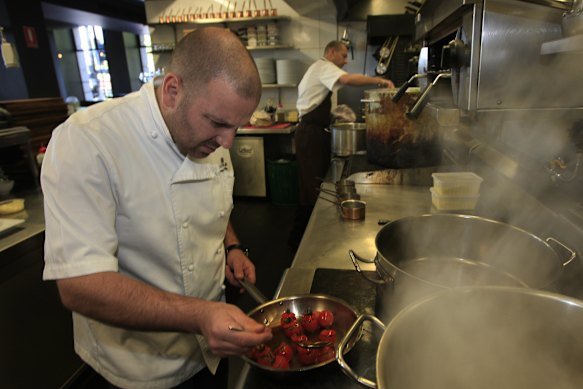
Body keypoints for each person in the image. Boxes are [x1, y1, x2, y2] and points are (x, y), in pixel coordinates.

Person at [41, 27, 272, 389]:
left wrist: (231, 245)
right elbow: (79, 284)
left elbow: (210, 201)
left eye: (238, 127)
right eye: (218, 123)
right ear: (172, 90)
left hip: (213, 349)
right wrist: (201, 315)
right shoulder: (87, 141)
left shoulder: (207, 136)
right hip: (138, 369)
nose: (228, 141)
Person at [291, 41, 394, 245]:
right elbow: (347, 80)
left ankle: (302, 237)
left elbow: (314, 103)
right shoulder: (323, 66)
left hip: (312, 132)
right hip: (310, 135)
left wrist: (332, 115)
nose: (345, 62)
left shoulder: (319, 69)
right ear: (331, 52)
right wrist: (379, 81)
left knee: (311, 186)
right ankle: (305, 241)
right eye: (344, 56)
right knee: (313, 188)